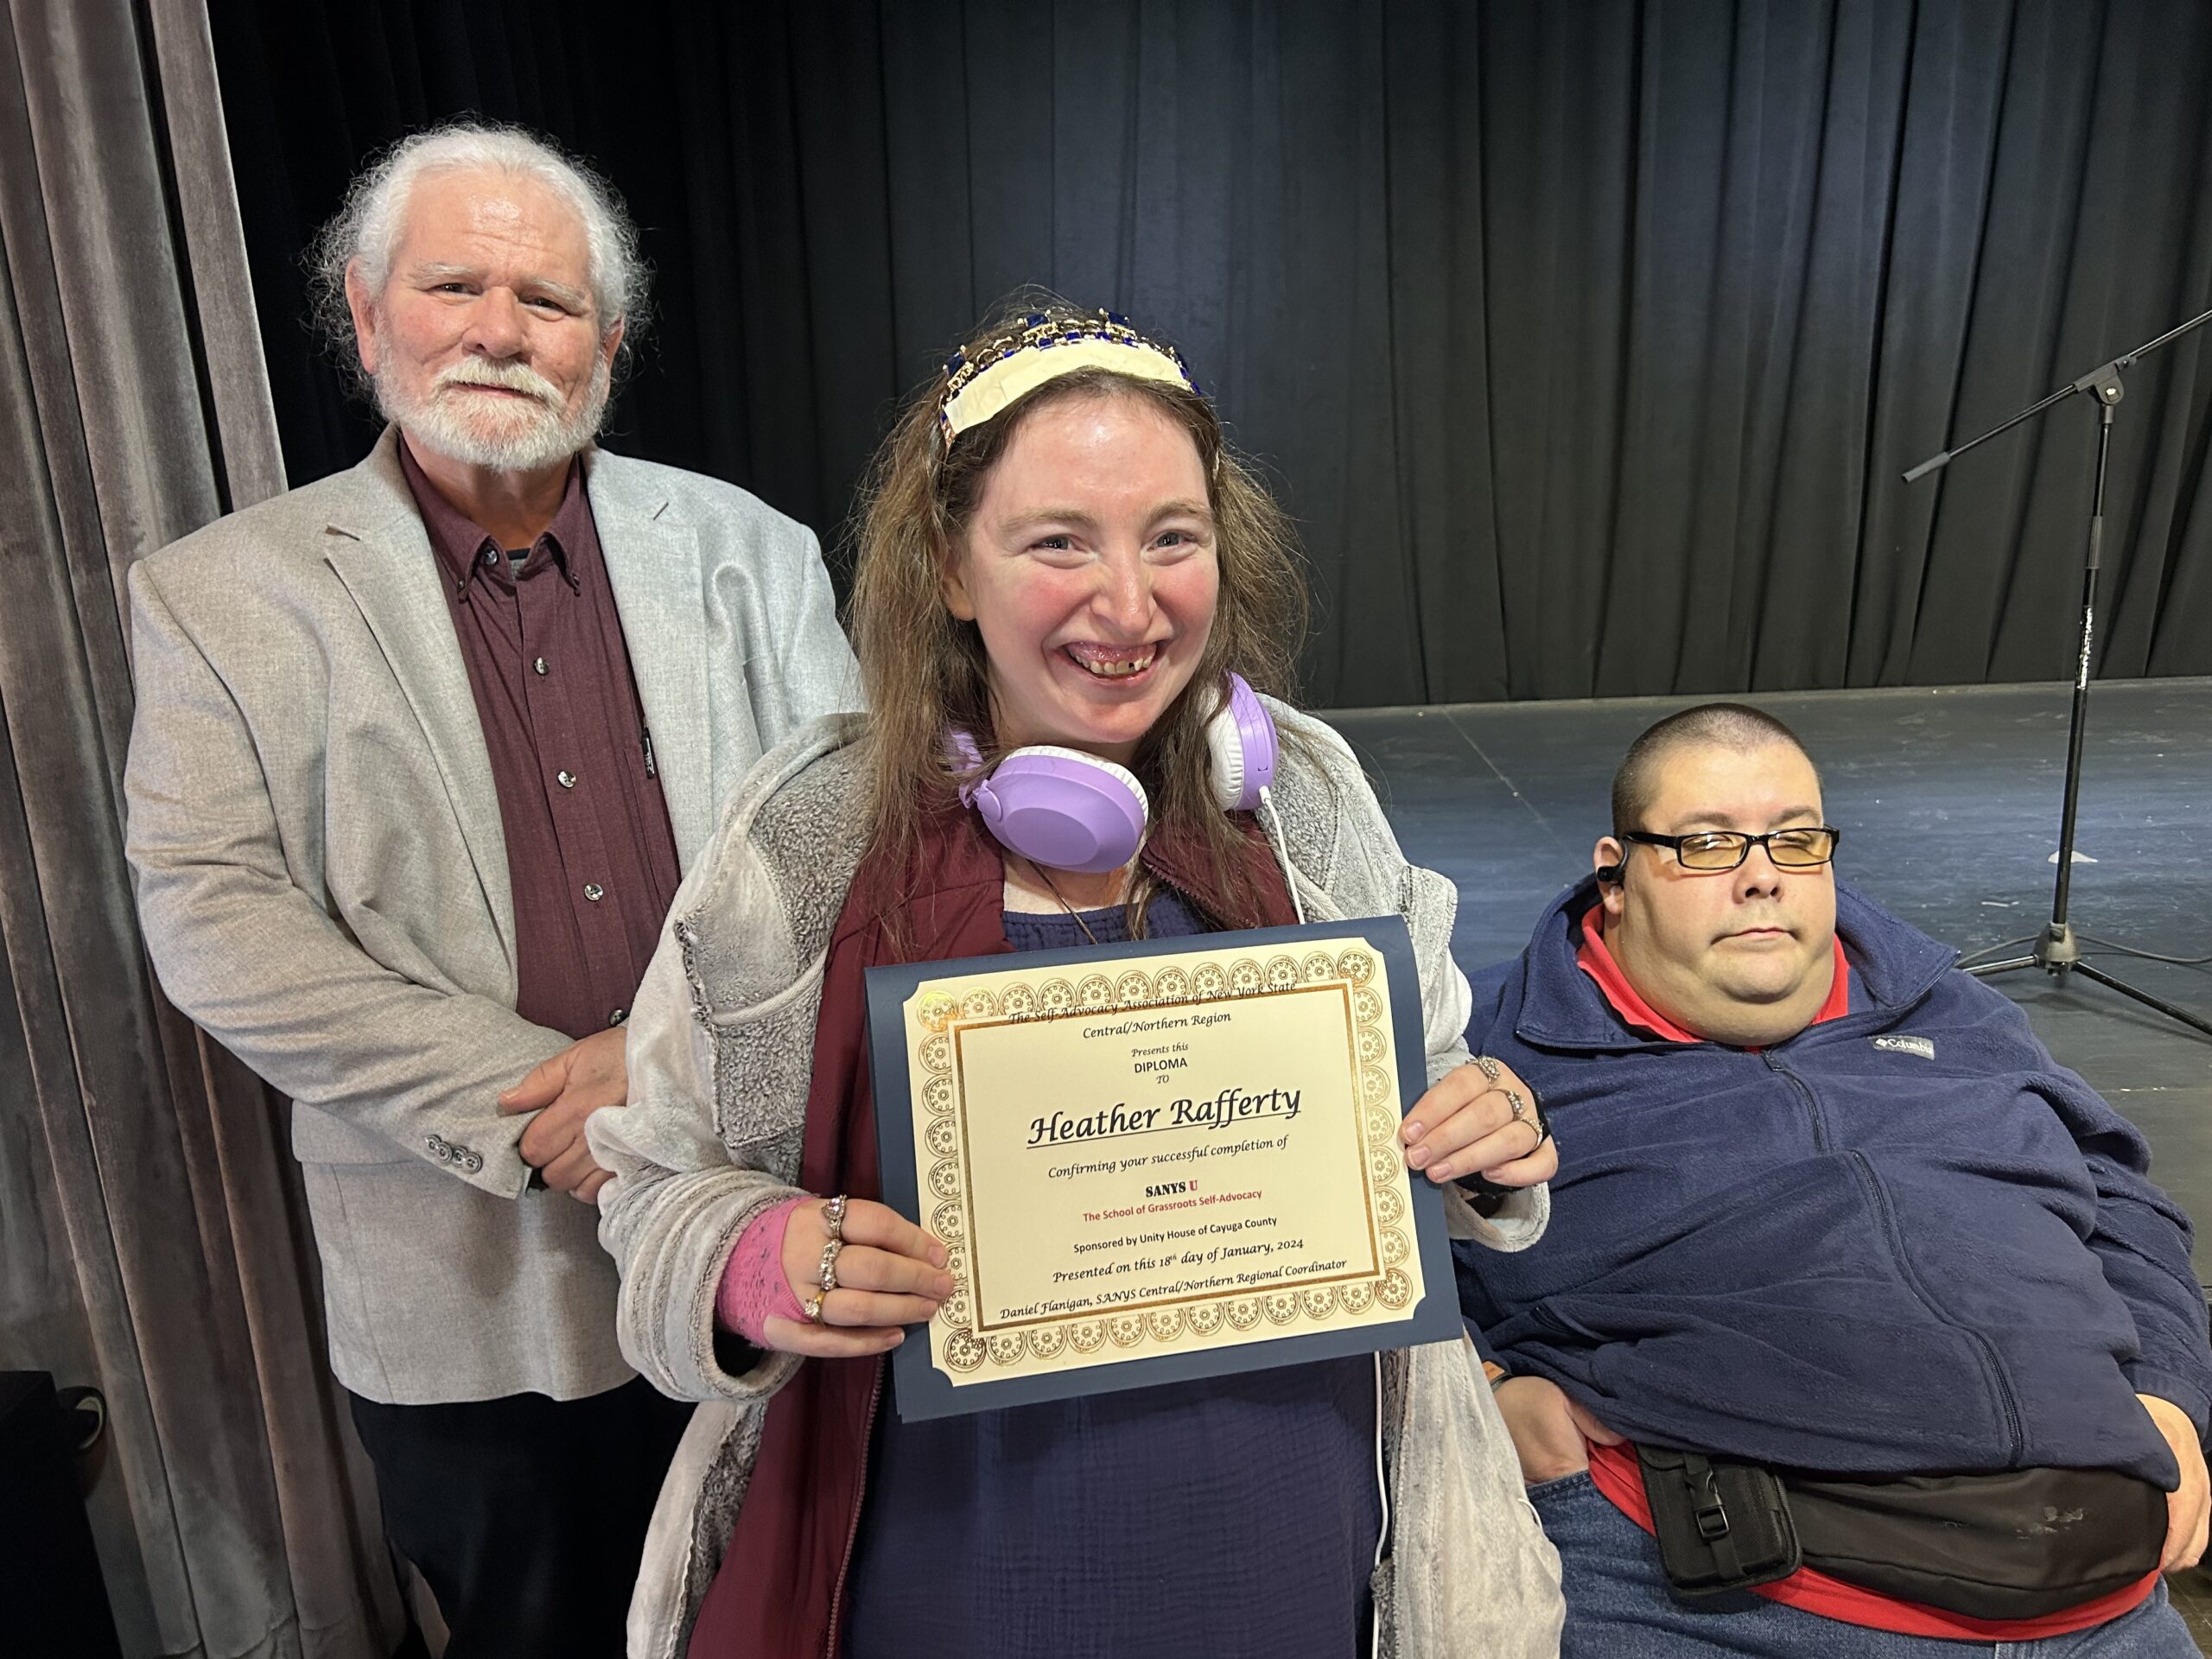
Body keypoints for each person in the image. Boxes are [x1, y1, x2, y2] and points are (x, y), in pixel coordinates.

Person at [589, 300, 1566, 1658]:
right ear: (947, 563)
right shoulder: (809, 832)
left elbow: (1443, 1091)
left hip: (1292, 1534)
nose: (1129, 602)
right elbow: (651, 1187)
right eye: (1059, 542)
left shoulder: (1306, 799)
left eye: (1173, 537)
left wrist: (1485, 1137)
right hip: (959, 1560)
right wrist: (747, 1262)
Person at [124, 122, 858, 1656]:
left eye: (547, 299)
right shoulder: (218, 595)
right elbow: (217, 923)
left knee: (793, 1618)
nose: (500, 332)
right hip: (463, 1284)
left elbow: (844, 846)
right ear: (364, 305)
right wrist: (559, 1094)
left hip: (749, 1230)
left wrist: (667, 1082)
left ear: (610, 336)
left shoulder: (751, 550)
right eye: (455, 283)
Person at [1458, 702, 2212, 1656]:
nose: (1761, 877)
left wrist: (2170, 1397)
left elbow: (2120, 1201)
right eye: (1707, 845)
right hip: (1721, 1596)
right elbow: (1367, 1237)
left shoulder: (1951, 1006)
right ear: (1615, 874)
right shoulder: (1482, 1042)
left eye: (1794, 841)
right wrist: (1484, 1390)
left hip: (2099, 1593)